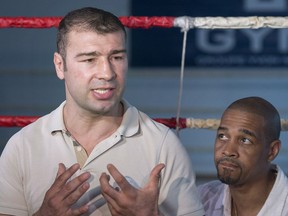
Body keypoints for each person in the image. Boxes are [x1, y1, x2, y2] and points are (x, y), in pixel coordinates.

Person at [0, 7, 204, 216]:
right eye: (90, 59)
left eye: (116, 57)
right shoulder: (23, 145)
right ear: (60, 66)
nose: (107, 73)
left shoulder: (163, 145)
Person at [198, 96, 288, 216]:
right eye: (223, 136)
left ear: (272, 151)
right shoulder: (202, 199)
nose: (228, 151)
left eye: (245, 140)